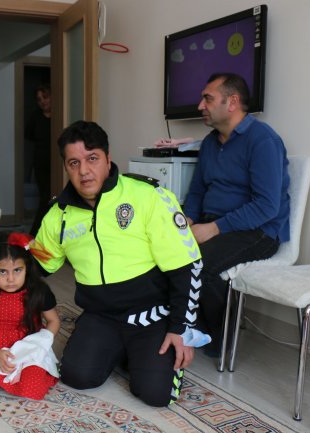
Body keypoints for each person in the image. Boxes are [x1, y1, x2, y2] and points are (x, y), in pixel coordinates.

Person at [35, 120, 206, 407]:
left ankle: (140, 354)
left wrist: (181, 328)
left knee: (156, 395)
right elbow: (37, 264)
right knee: (77, 376)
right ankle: (121, 350)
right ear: (66, 167)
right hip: (100, 315)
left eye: (92, 159)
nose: (84, 171)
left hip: (152, 316)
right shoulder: (57, 214)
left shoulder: (148, 196)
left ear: (108, 158)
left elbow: (187, 266)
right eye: (74, 163)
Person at [183, 73, 290, 356]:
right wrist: (188, 220)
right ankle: (186, 328)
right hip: (214, 224)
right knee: (165, 252)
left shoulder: (263, 140)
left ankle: (218, 340)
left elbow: (267, 206)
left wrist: (213, 229)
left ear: (232, 102)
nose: (200, 106)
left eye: (207, 98)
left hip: (259, 231)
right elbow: (197, 191)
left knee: (198, 264)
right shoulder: (210, 143)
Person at [0, 232, 60, 400]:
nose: (10, 279)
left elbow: (53, 321)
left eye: (17, 270)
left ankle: (17, 373)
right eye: (2, 271)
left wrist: (40, 343)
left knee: (33, 389)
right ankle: (0, 373)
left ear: (27, 268)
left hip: (29, 349)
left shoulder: (38, 291)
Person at [25, 84, 52, 236]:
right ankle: (36, 233)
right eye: (39, 99)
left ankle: (37, 232)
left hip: (57, 163)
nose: (42, 101)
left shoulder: (60, 116)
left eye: (45, 97)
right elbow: (29, 135)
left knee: (49, 197)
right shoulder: (36, 117)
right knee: (45, 197)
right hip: (41, 163)